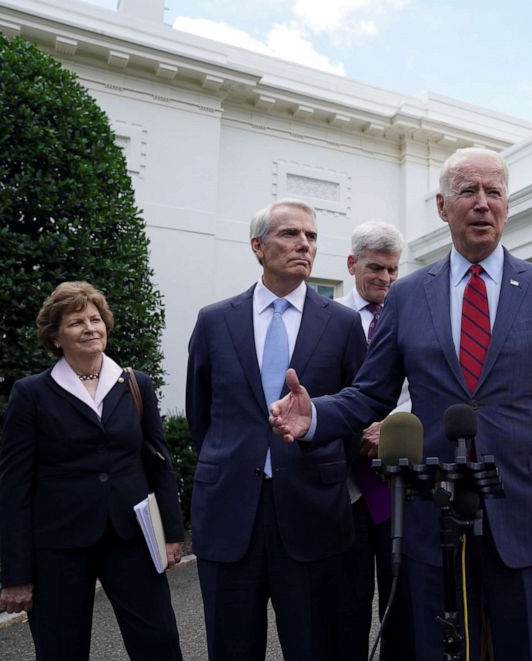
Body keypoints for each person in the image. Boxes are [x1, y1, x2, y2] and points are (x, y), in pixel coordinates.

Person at [269, 147, 532, 661]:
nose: (482, 203)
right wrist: (315, 417)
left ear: (507, 205)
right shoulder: (408, 295)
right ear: (443, 207)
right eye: (468, 191)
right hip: (432, 512)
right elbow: (371, 393)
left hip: (523, 509)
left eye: (494, 192)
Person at [186, 198, 367, 660]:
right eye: (290, 234)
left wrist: (319, 465)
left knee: (314, 645)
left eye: (311, 236)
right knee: (231, 646)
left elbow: (357, 410)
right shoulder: (214, 321)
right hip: (230, 509)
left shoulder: (344, 324)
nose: (304, 244)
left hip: (313, 511)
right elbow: (201, 414)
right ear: (258, 246)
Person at [0, 281, 184, 660]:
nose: (90, 328)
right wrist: (17, 573)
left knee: (159, 643)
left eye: (96, 319)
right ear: (55, 337)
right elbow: (15, 485)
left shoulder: (135, 384)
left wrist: (172, 533)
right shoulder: (31, 393)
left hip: (131, 535)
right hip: (59, 546)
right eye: (76, 322)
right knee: (60, 650)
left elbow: (159, 463)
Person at [333, 220, 415, 660]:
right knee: (345, 603)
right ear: (352, 264)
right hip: (342, 484)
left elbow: (429, 388)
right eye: (375, 268)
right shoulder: (327, 319)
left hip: (397, 482)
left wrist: (392, 428)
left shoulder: (410, 318)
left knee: (401, 600)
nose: (384, 278)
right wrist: (355, 430)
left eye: (392, 270)